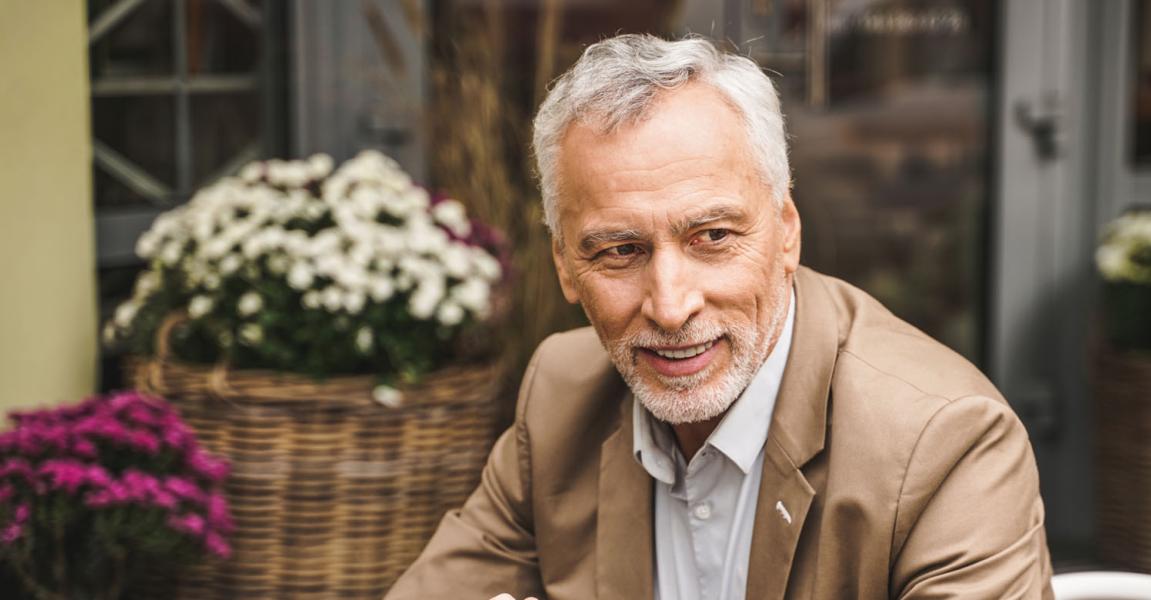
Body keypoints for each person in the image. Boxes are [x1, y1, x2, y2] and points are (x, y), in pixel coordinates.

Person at [386, 34, 1053, 599]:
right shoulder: (561, 393)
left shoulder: (946, 443)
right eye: (620, 251)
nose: (671, 306)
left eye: (712, 237)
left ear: (787, 230)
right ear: (564, 265)